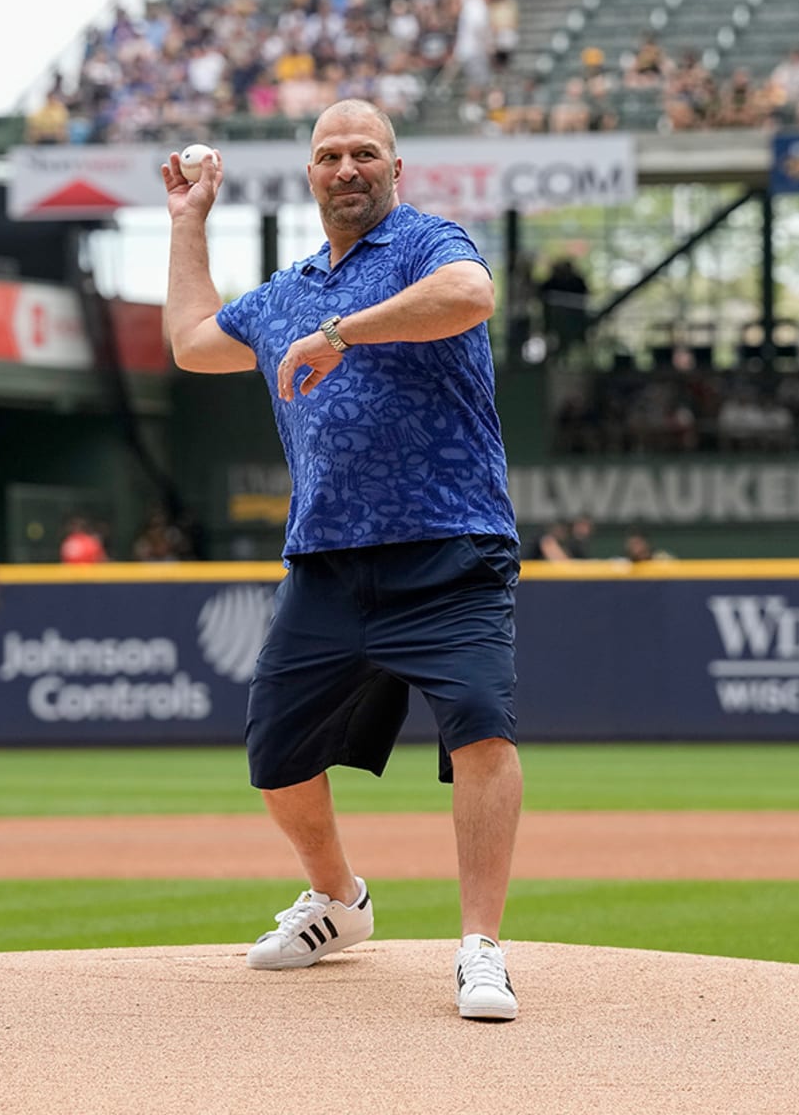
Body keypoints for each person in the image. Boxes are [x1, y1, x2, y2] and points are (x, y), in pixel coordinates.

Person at [161, 99, 522, 1021]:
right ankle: (339, 900)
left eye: (366, 152)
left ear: (395, 171)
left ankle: (480, 946)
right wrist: (188, 223)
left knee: (480, 730)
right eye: (330, 155)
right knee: (277, 759)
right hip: (325, 556)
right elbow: (195, 343)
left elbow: (471, 297)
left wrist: (345, 331)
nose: (347, 167)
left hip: (451, 546)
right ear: (310, 175)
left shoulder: (426, 243)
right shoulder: (285, 291)